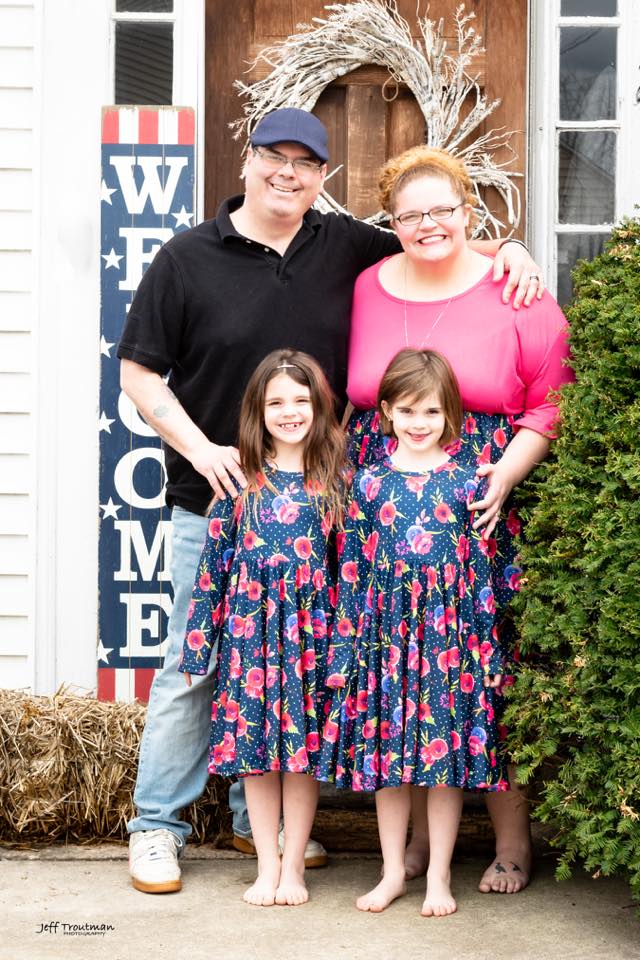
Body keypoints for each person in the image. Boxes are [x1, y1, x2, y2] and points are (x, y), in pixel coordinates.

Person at [118, 106, 544, 894]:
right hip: (218, 500)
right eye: (273, 158)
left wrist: (509, 248)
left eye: (305, 164)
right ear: (246, 161)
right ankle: (157, 826)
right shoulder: (186, 258)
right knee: (196, 665)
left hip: (321, 502)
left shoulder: (344, 244)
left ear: (323, 178)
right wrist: (202, 450)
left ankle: (266, 831)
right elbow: (140, 375)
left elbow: (436, 243)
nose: (288, 174)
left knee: (300, 662)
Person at [344, 144, 573, 895]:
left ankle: (511, 843)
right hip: (382, 495)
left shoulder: (518, 288)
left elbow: (550, 400)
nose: (428, 224)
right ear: (391, 223)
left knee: (483, 665)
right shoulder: (367, 287)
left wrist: (504, 476)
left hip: (479, 498)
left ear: (470, 210)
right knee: (403, 662)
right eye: (410, 214)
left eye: (444, 209)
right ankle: (410, 850)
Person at [319, 348, 508, 916]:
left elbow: (482, 571)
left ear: (449, 414)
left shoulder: (467, 482)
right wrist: (346, 648)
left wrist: (483, 650)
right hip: (383, 643)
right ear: (385, 414)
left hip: (448, 645)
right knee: (388, 768)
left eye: (430, 411)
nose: (419, 423)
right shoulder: (370, 484)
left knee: (443, 764)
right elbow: (352, 568)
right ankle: (392, 872)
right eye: (407, 411)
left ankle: (440, 879)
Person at [179, 349, 346, 906]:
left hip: (310, 645)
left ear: (320, 409)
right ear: (257, 411)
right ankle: (266, 868)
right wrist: (196, 650)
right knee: (257, 759)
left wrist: (343, 653)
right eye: (277, 401)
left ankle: (294, 867)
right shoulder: (239, 485)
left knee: (300, 761)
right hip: (251, 644)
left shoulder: (336, 485)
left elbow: (352, 575)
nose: (290, 411)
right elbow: (212, 573)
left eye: (301, 400)